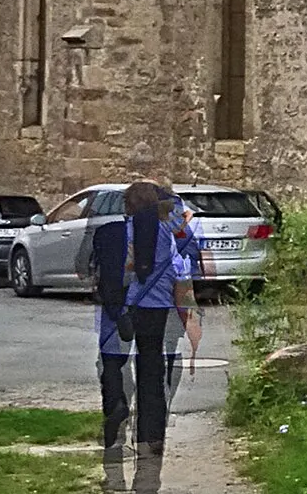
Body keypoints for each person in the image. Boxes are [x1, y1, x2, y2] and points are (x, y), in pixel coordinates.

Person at [91, 179, 200, 491]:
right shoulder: (168, 227)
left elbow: (95, 270)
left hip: (120, 311)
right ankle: (150, 437)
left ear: (127, 206)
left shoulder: (111, 233)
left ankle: (116, 413)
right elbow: (188, 244)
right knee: (152, 370)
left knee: (113, 366)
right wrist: (163, 196)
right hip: (155, 308)